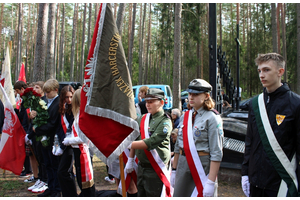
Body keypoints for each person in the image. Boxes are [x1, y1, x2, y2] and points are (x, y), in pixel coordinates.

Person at [241, 53, 300, 197]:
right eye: (260, 70)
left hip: (282, 183)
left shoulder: (296, 104)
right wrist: (245, 173)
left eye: (267, 70)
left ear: (280, 72)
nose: (262, 75)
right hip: (255, 181)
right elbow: (250, 141)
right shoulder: (255, 104)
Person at [172, 79, 223, 197]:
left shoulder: (212, 118)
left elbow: (216, 152)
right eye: (190, 94)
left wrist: (210, 181)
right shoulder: (186, 116)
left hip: (202, 166)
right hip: (183, 163)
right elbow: (178, 145)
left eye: (196, 94)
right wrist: (174, 170)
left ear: (206, 96)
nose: (191, 97)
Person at [125, 88, 172, 197]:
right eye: (146, 102)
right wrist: (130, 159)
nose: (147, 105)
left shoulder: (165, 122)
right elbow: (135, 138)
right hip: (142, 167)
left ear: (161, 103)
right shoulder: (143, 118)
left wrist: (126, 144)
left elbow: (150, 142)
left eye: (151, 102)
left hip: (155, 169)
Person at [28, 79, 61, 197]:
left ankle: (57, 189)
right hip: (43, 139)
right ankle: (50, 187)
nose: (46, 94)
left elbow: (53, 123)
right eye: (45, 92)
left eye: (48, 92)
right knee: (47, 164)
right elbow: (39, 116)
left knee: (54, 165)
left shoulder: (58, 103)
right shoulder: (44, 101)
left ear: (56, 90)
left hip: (53, 139)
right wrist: (33, 117)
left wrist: (37, 129)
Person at [62, 89, 95, 197]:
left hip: (83, 150)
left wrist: (69, 140)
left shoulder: (83, 115)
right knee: (81, 179)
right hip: (78, 150)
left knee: (85, 181)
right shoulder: (79, 114)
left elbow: (84, 137)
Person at [54, 85, 78, 197]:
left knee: (63, 172)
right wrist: (57, 143)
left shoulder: (74, 109)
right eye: (66, 97)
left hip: (71, 143)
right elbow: (59, 127)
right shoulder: (61, 108)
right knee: (64, 172)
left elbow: (72, 128)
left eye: (70, 97)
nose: (68, 100)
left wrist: (63, 146)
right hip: (62, 142)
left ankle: (72, 195)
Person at [27, 81, 48, 193]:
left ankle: (45, 180)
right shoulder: (36, 102)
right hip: (35, 135)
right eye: (34, 87)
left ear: (43, 89)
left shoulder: (44, 102)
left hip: (42, 136)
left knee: (44, 160)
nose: (34, 89)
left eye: (37, 87)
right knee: (39, 158)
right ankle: (41, 178)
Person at [14, 81, 31, 178]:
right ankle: (27, 168)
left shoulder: (27, 100)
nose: (17, 94)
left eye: (17, 91)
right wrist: (15, 111)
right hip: (24, 127)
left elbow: (26, 115)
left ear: (22, 89)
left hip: (26, 128)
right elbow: (22, 114)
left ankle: (28, 170)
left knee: (27, 152)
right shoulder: (23, 100)